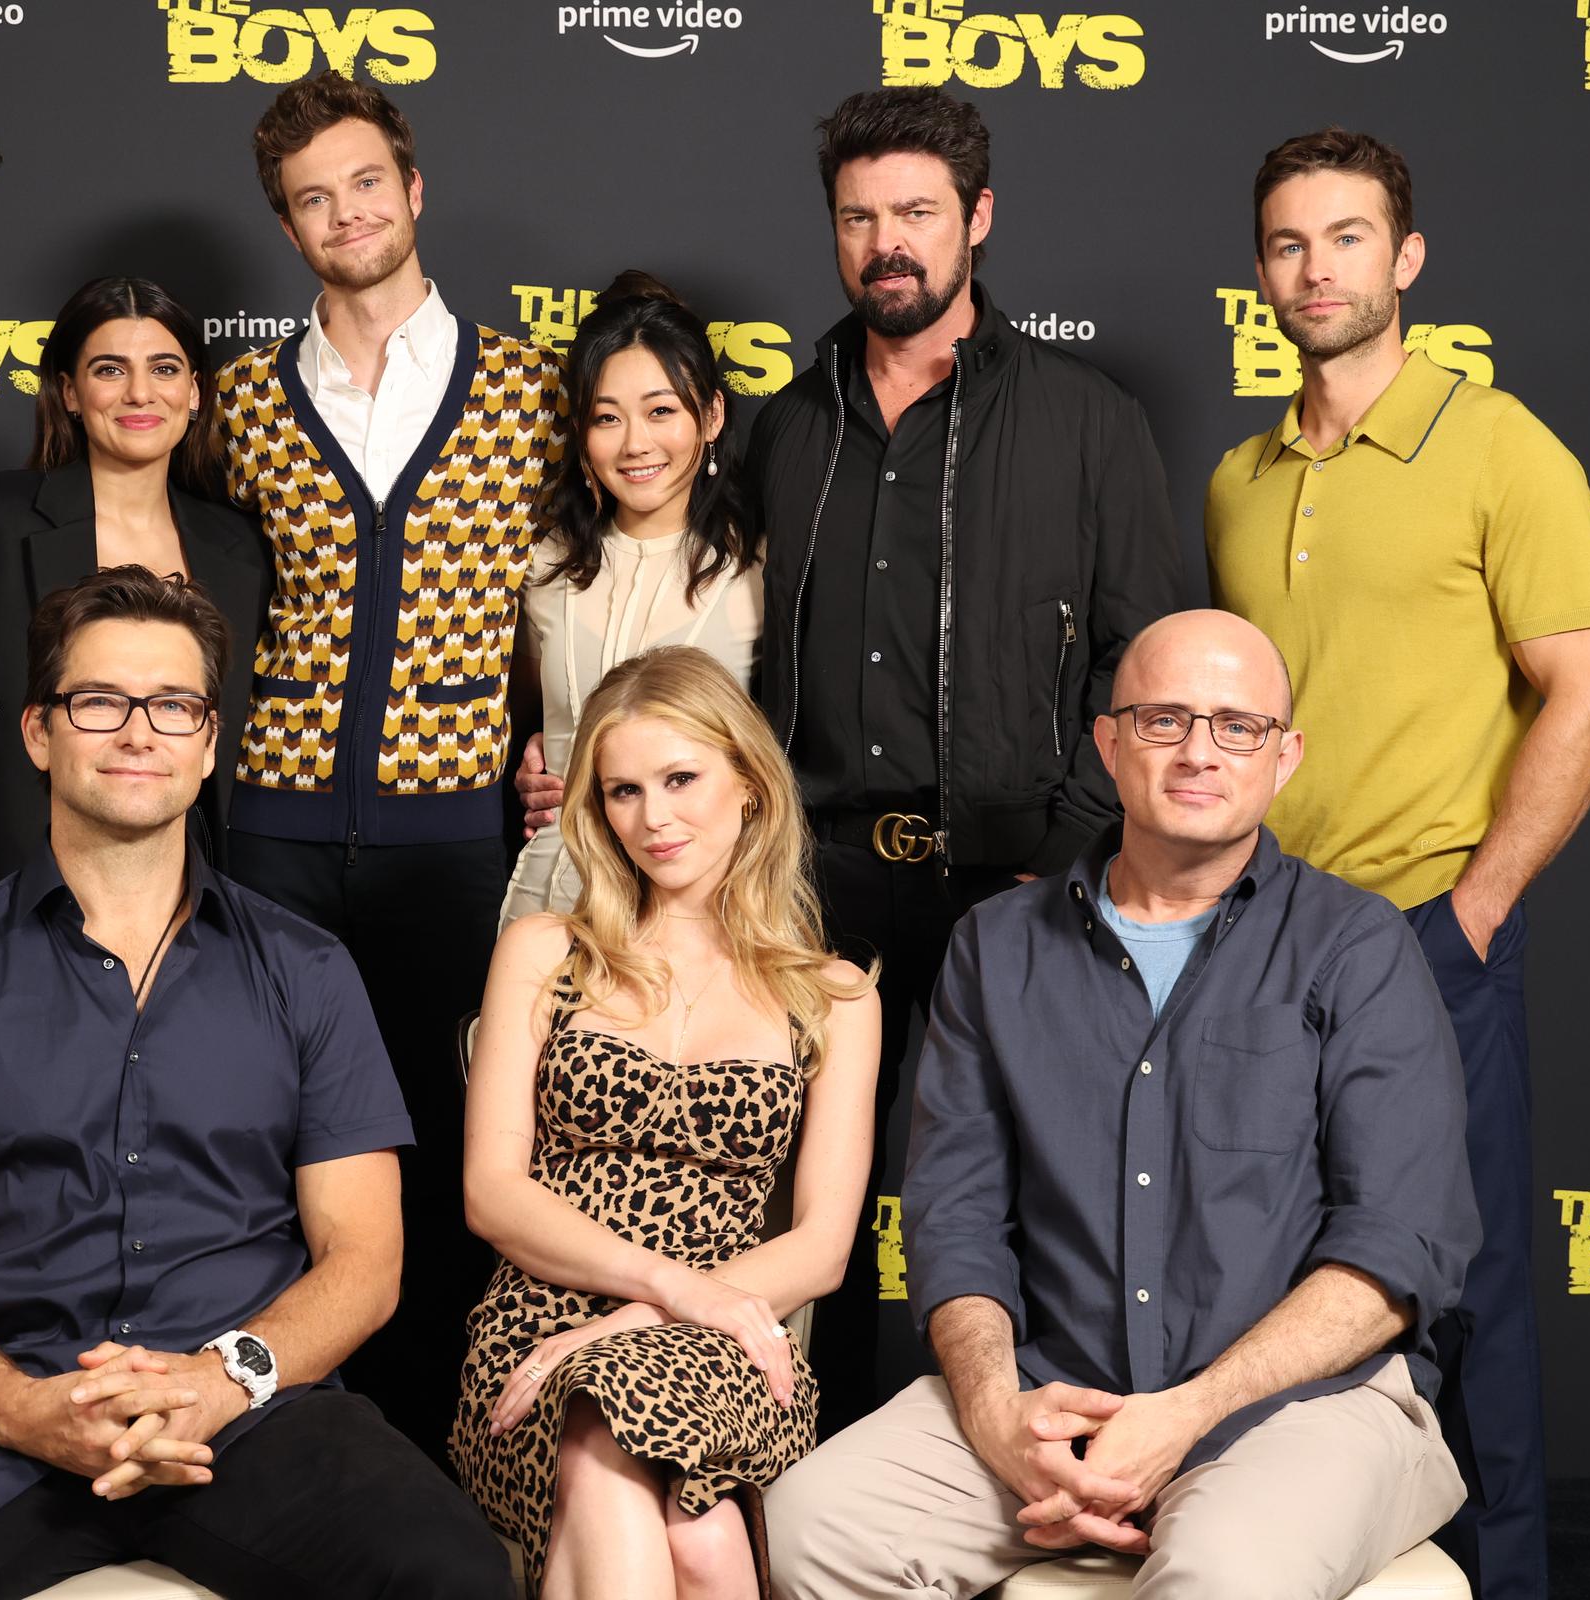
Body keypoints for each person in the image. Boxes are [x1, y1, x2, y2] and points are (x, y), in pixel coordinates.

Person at [0, 567, 512, 1600]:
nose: (139, 732)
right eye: (101, 701)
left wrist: (221, 1379)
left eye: (174, 705)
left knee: (455, 1574)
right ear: (42, 733)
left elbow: (365, 1260)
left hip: (252, 1418)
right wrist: (21, 1411)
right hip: (3, 1430)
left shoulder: (308, 969)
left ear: (210, 741)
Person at [768, 610, 1479, 1600]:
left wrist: (1185, 1414)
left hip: (1299, 1408)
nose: (1199, 751)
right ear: (1108, 742)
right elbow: (957, 1220)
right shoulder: (995, 944)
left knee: (1220, 1575)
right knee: (815, 1523)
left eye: (1238, 726)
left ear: (1285, 756)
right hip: (1055, 1388)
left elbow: (1397, 1247)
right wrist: (994, 1414)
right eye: (1163, 720)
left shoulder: (1356, 946)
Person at [1205, 127, 1590, 1600]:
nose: (1314, 268)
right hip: (1264, 947)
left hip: (1430, 936)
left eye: (1345, 237)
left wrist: (1479, 908)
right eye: (1285, 243)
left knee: (1471, 1292)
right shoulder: (1238, 479)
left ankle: (1501, 1584)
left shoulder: (1501, 445)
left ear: (1407, 259)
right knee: (1284, 1292)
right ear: (1259, 270)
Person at [746, 84, 1182, 1430]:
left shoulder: (1084, 420)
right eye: (860, 215)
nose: (888, 241)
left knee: (1002, 1209)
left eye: (917, 213)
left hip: (1009, 880)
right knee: (798, 1213)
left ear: (978, 220)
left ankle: (1015, 1497)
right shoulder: (788, 419)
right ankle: (789, 1503)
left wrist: (1056, 854)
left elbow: (1148, 658)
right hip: (810, 890)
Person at [210, 68, 565, 1450]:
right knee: (260, 1146)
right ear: (288, 229)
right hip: (271, 834)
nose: (346, 213)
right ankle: (277, 1455)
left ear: (413, 193)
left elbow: (575, 598)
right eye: (313, 198)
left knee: (439, 1156)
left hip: (450, 844)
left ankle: (431, 1470)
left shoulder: (533, 391)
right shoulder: (237, 404)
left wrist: (550, 742)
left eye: (367, 183)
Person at [455, 646, 879, 1599]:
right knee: (698, 1541)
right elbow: (491, 1192)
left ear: (750, 785)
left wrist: (653, 1317)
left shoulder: (834, 995)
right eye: (622, 792)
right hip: (541, 1320)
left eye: (681, 779)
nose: (654, 819)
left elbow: (820, 1251)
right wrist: (639, 1303)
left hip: (729, 1338)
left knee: (622, 1458)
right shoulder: (544, 953)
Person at [0, 275, 268, 884]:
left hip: (189, 883)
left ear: (195, 391)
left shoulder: (242, 550)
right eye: (109, 370)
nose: (139, 394)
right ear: (70, 392)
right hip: (14, 876)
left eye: (163, 368)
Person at [500, 271, 764, 928]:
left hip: (710, 909)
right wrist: (538, 759)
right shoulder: (545, 564)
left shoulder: (761, 566)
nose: (635, 444)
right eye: (607, 418)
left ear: (712, 415)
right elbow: (531, 719)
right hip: (557, 899)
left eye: (661, 411)